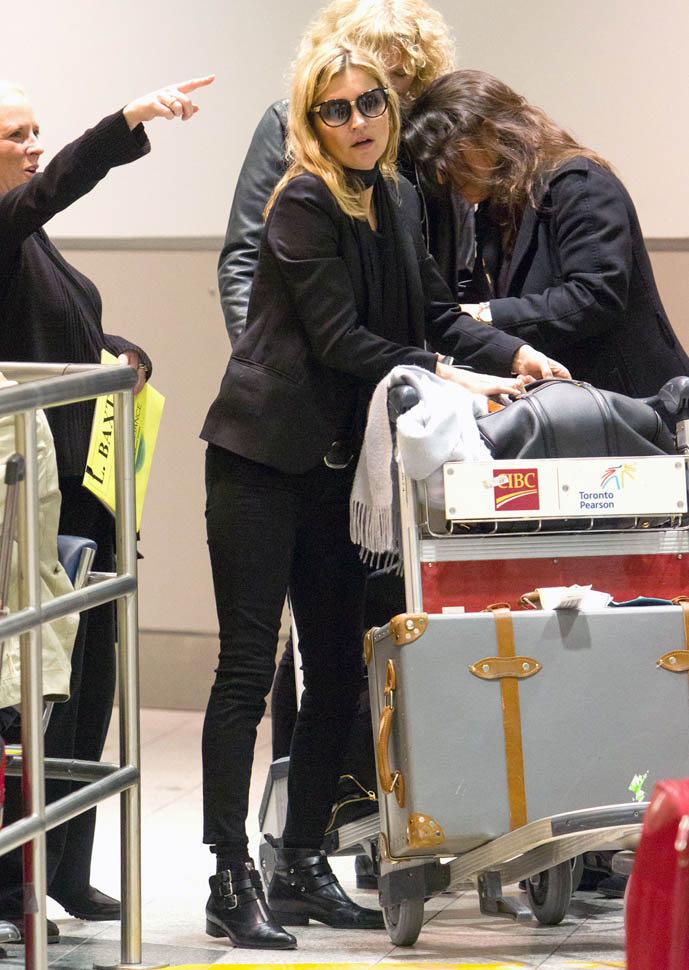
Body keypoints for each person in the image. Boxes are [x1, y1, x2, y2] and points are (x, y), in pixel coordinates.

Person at [200, 43, 569, 951]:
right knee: (247, 671)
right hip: (260, 462)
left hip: (335, 472)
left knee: (336, 671)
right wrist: (453, 376)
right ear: (310, 123)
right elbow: (340, 340)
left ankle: (296, 864)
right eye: (335, 110)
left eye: (369, 103)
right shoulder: (302, 200)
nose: (358, 121)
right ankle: (227, 875)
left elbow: (433, 313)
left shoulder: (399, 198)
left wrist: (515, 355)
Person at [0, 74, 214, 942]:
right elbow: (52, 188)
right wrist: (126, 122)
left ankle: (65, 868)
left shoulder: (30, 240)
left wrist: (119, 349)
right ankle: (14, 883)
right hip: (31, 501)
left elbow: (61, 327)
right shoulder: (9, 221)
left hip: (85, 493)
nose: (33, 146)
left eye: (37, 131)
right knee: (31, 695)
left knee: (90, 688)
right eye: (17, 134)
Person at [403, 69, 689, 399]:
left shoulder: (579, 183)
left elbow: (596, 295)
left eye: (449, 158)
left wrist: (483, 314)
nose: (443, 177)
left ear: (489, 133)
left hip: (638, 401)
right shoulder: (497, 207)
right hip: (579, 401)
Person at [217, 0, 473, 349]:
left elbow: (449, 265)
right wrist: (258, 353)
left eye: (398, 74)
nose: (384, 88)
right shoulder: (286, 124)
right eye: (374, 68)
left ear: (420, 72)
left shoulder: (431, 137)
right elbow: (245, 256)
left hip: (409, 353)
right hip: (310, 356)